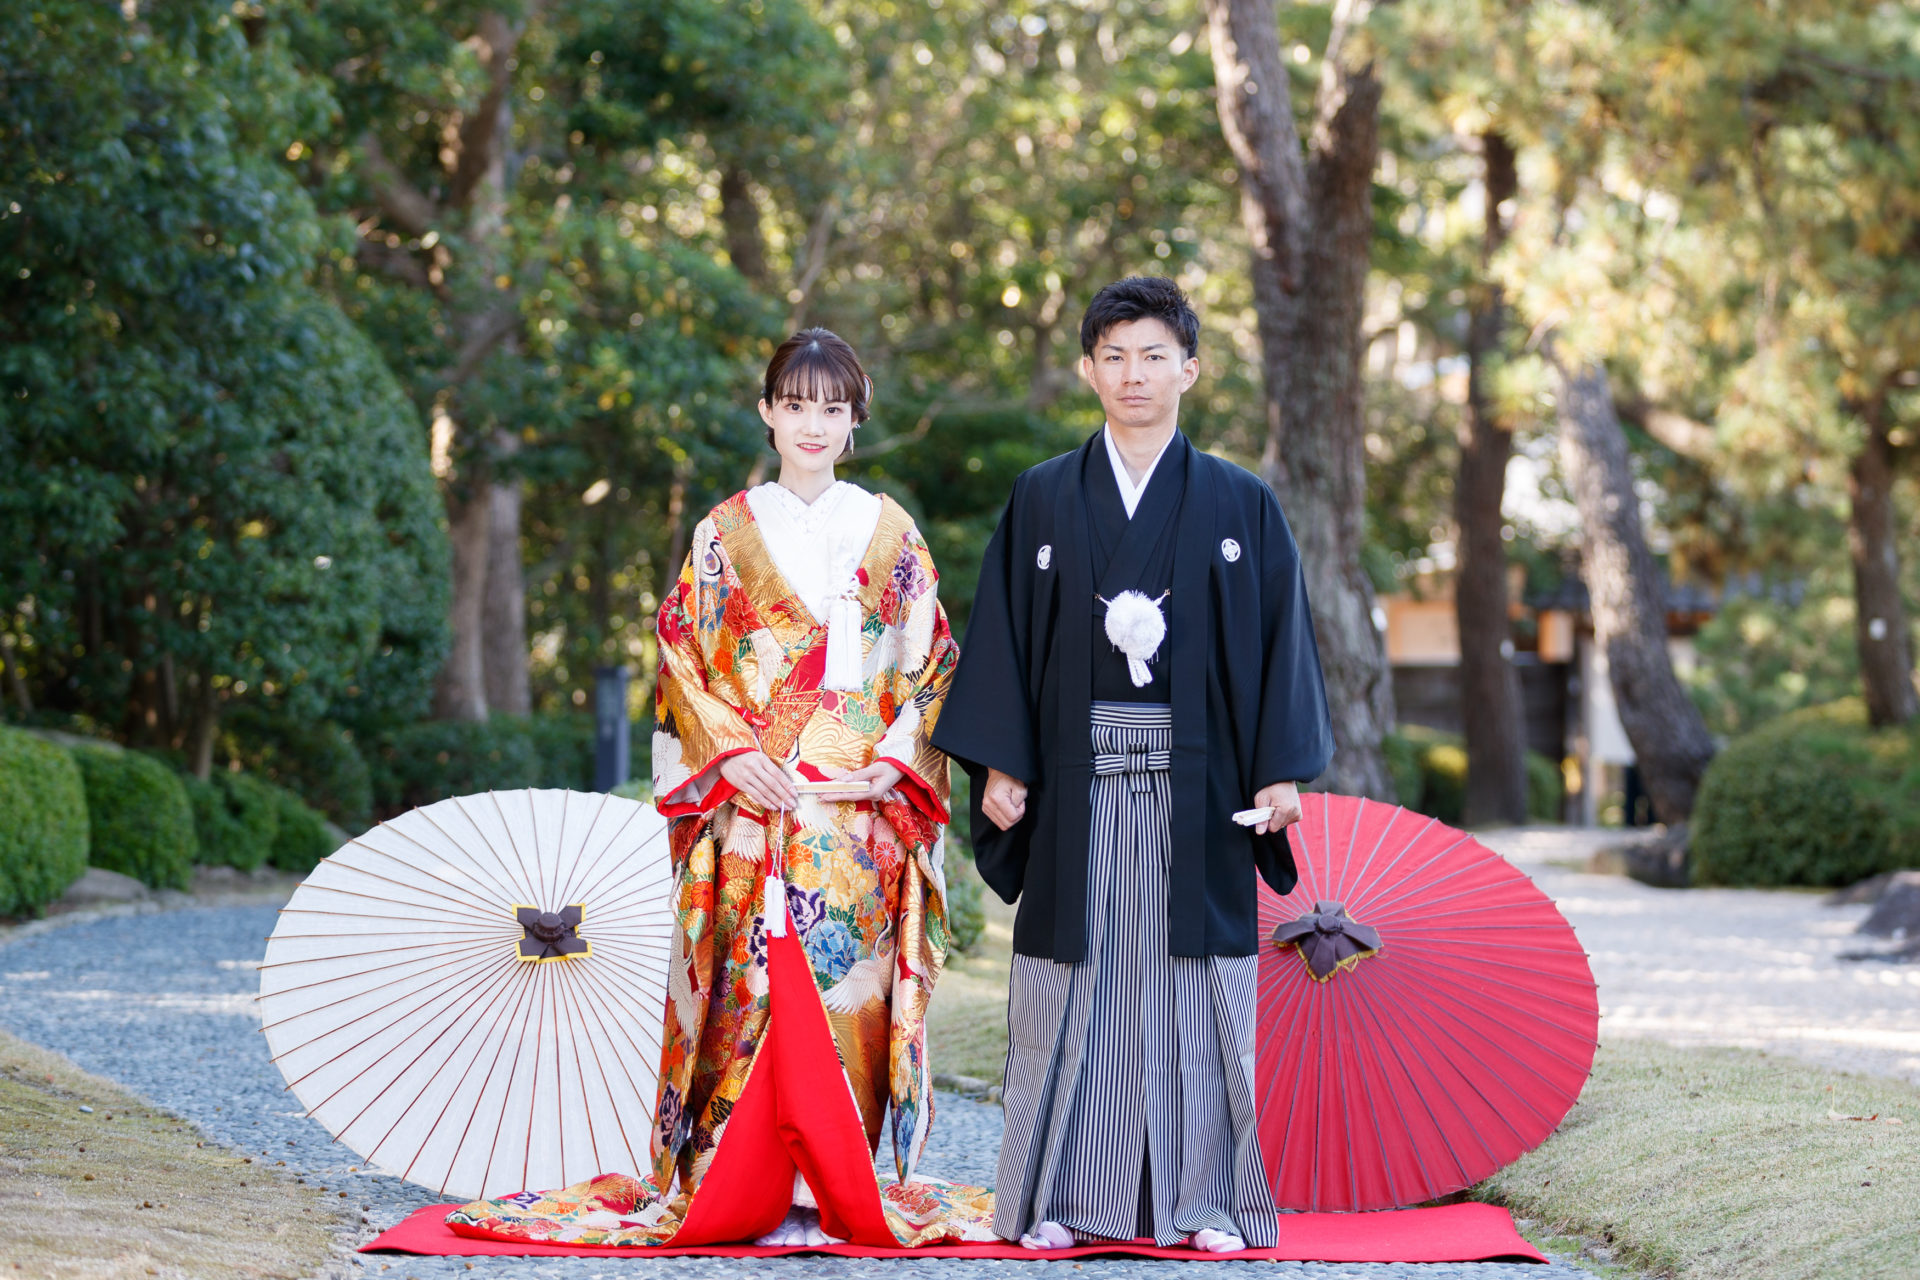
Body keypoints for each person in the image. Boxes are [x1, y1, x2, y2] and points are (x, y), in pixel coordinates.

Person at [446, 329, 991, 1249]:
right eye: (796, 405)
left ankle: (830, 1188)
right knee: (751, 988)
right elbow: (683, 657)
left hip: (856, 814)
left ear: (855, 420)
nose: (813, 425)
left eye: (833, 408)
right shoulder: (724, 533)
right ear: (769, 411)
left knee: (842, 996)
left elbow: (931, 664)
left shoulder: (891, 533)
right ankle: (746, 1186)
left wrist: (894, 764)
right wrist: (729, 755)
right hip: (750, 805)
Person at [931, 277, 1334, 1252]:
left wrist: (1279, 768)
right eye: (1113, 355)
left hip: (1201, 787)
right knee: (1078, 983)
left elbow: (1283, 640)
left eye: (1154, 354)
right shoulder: (1044, 497)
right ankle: (1065, 1197)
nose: (1134, 373)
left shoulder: (1240, 501)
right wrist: (1002, 761)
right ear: (1087, 370)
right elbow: (1009, 641)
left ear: (1189, 368)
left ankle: (1206, 1203)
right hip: (1076, 781)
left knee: (1193, 992)